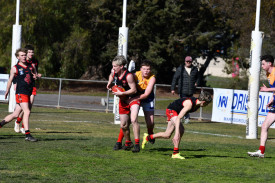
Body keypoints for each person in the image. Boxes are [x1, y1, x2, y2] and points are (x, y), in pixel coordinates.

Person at [141, 90, 212, 159]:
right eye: (207, 103)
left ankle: (148, 137)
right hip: (172, 111)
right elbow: (178, 118)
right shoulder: (189, 104)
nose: (207, 105)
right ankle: (175, 153)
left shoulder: (197, 104)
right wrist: (176, 133)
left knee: (167, 134)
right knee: (180, 130)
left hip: (175, 113)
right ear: (203, 102)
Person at [113, 60, 156, 153]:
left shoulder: (152, 78)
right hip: (134, 97)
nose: (146, 71)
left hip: (146, 98)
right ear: (140, 69)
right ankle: (120, 141)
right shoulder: (135, 75)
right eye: (144, 69)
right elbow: (124, 79)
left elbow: (146, 94)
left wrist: (132, 99)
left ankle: (150, 132)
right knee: (126, 121)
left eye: (148, 69)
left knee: (150, 123)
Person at [0, 48, 40, 142]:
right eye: (22, 55)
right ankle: (27, 134)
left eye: (24, 55)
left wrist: (35, 76)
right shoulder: (15, 68)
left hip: (28, 92)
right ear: (18, 57)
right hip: (21, 93)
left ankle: (0, 124)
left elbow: (34, 75)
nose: (24, 56)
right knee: (27, 111)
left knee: (15, 114)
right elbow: (10, 80)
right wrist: (7, 91)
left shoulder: (31, 65)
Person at [106, 55, 137, 151]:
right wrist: (109, 83)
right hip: (123, 100)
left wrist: (121, 92)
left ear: (121, 66)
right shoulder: (114, 72)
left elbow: (134, 90)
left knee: (131, 121)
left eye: (115, 66)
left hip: (132, 99)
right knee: (123, 124)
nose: (113, 68)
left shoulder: (128, 76)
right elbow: (111, 75)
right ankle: (128, 142)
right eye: (113, 66)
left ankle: (135, 143)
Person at [248, 55, 275, 158]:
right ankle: (261, 151)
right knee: (264, 126)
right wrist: (271, 100)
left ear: (270, 64)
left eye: (263, 64)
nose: (262, 66)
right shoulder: (269, 74)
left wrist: (267, 90)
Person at [14, 45, 40, 134]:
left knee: (29, 106)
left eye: (32, 52)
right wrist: (14, 83)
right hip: (24, 87)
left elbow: (35, 74)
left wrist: (37, 76)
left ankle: (23, 127)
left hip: (32, 86)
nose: (31, 54)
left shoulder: (35, 62)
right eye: (29, 52)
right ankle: (17, 122)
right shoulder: (22, 61)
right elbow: (16, 72)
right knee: (24, 108)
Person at [171, 56, 199, 123]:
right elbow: (175, 78)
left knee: (189, 105)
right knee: (184, 104)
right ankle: (182, 118)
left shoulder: (195, 69)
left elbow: (198, 77)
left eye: (189, 61)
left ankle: (185, 117)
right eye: (187, 61)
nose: (188, 62)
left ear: (191, 62)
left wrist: (197, 82)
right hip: (182, 90)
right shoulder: (180, 69)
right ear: (185, 61)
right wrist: (172, 88)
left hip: (191, 90)